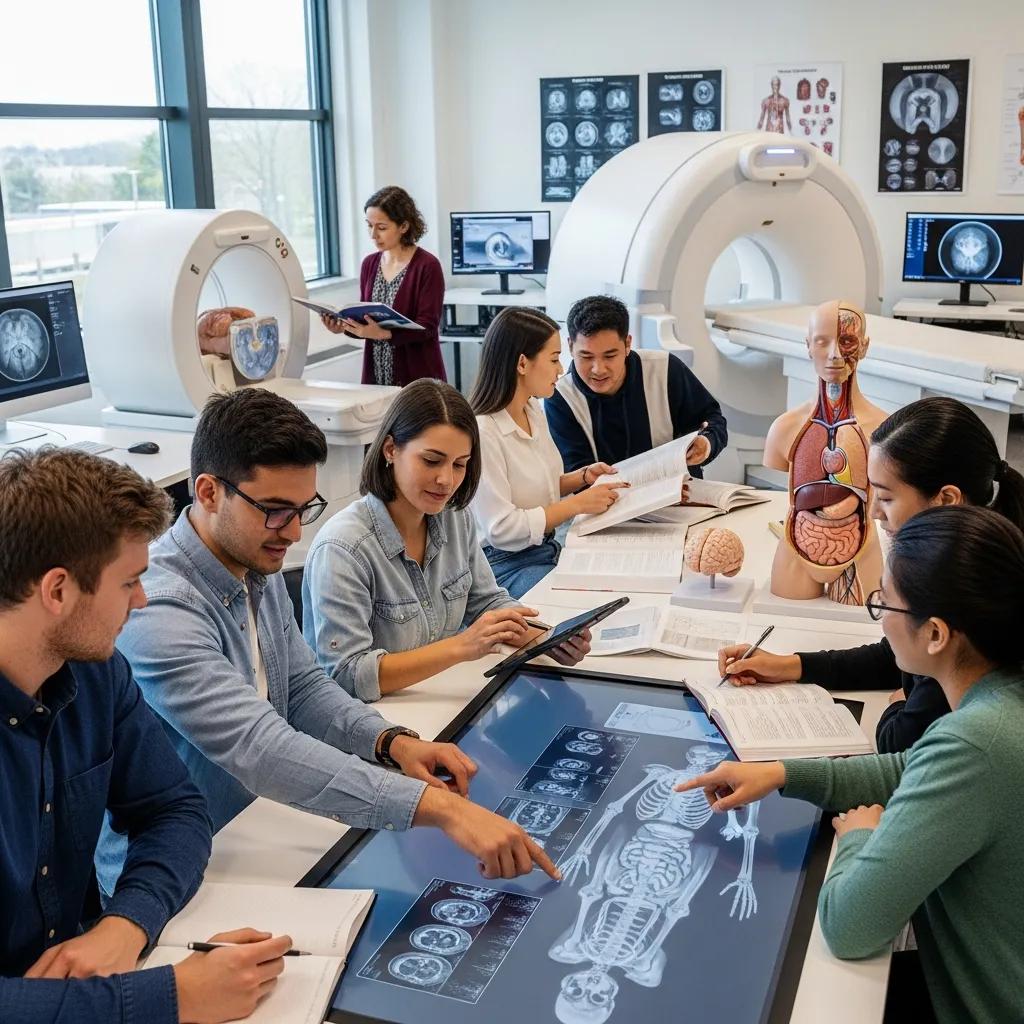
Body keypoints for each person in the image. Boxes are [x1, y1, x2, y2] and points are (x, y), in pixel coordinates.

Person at [98, 388, 559, 885]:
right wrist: (440, 808)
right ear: (208, 492)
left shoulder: (256, 559)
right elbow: (260, 747)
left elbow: (304, 688)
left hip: (260, 827)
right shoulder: (161, 608)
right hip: (171, 870)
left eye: (303, 510)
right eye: (275, 510)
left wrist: (391, 743)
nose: (294, 534)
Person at [679, 505, 1024, 1024]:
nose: (880, 617)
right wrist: (782, 773)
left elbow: (850, 926)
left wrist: (861, 835)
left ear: (935, 634)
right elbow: (915, 769)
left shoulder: (976, 741)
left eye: (885, 603)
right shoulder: (1000, 702)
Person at [0, 449, 290, 1024]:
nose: (142, 600)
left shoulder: (95, 672)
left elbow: (175, 812)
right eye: (129, 581)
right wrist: (171, 997)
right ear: (57, 591)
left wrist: (125, 924)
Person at [718, 396, 1024, 752]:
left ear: (945, 499)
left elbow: (899, 740)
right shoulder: (970, 556)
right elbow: (895, 655)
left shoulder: (972, 596)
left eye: (886, 497)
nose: (874, 512)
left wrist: (899, 701)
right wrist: (792, 665)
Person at [303, 379, 591, 698]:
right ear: (390, 450)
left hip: (439, 699)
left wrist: (548, 639)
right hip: (376, 724)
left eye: (460, 465)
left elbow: (486, 602)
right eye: (431, 461)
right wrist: (461, 647)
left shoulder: (453, 518)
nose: (446, 480)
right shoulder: (343, 548)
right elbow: (347, 675)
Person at [469, 307, 628, 597]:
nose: (560, 369)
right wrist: (578, 504)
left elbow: (538, 489)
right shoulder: (484, 432)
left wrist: (582, 477)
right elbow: (502, 528)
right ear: (522, 364)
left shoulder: (532, 409)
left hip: (544, 547)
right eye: (554, 359)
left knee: (616, 585)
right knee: (582, 611)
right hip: (503, 564)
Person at [544, 294, 727, 476]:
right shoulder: (561, 396)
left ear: (627, 344)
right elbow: (576, 472)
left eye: (609, 356)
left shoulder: (664, 368)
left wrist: (707, 442)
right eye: (586, 357)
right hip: (608, 502)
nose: (598, 369)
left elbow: (712, 419)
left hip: (681, 495)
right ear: (570, 346)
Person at [320, 185, 446, 386]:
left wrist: (384, 334)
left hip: (417, 378)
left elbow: (428, 327)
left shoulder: (427, 266)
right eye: (369, 225)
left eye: (381, 227)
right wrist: (343, 328)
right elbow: (366, 320)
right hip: (376, 377)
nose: (373, 235)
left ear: (403, 226)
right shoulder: (369, 264)